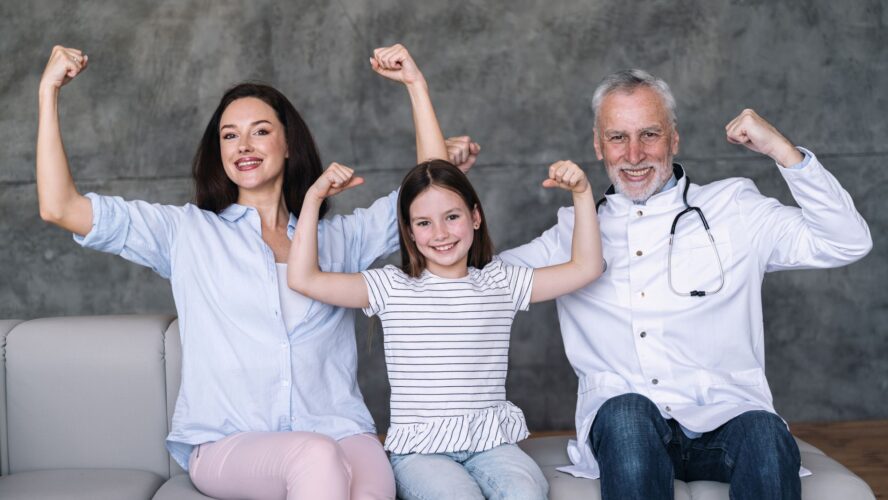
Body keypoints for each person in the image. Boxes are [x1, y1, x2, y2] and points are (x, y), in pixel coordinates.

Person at [36, 44, 469, 500]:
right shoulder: (186, 232)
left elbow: (431, 192)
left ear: (288, 143)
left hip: (340, 430)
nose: (243, 145)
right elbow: (60, 207)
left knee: (365, 482)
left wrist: (416, 87)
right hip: (230, 443)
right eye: (229, 135)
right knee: (315, 456)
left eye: (260, 131)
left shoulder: (341, 238)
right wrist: (49, 91)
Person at [445, 69, 873, 499]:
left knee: (765, 433)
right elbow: (477, 283)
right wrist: (446, 178)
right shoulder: (574, 230)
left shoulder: (734, 206)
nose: (634, 154)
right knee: (627, 413)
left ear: (674, 139)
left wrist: (782, 150)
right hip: (626, 426)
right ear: (598, 145)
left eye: (649, 134)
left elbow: (846, 241)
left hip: (726, 412)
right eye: (617, 138)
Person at [288, 45, 604, 500]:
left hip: (491, 445)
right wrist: (314, 198)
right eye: (423, 223)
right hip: (421, 453)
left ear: (476, 217)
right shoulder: (391, 288)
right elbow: (304, 279)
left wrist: (581, 193)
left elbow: (586, 266)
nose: (439, 232)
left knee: (524, 493)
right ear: (409, 233)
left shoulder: (499, 282)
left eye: (452, 217)